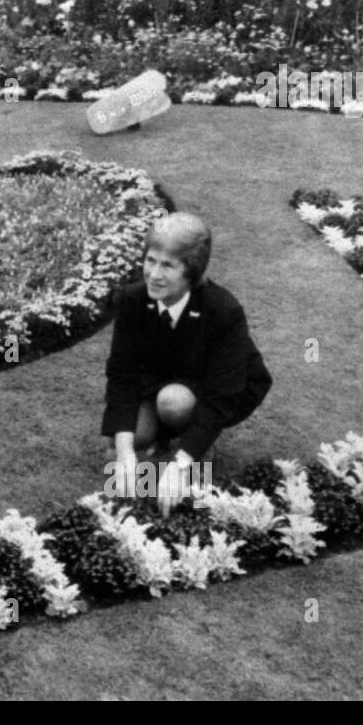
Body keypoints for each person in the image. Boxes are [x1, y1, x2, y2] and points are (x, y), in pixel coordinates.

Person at [101, 212, 272, 515]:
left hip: (213, 388)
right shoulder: (131, 299)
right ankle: (167, 440)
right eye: (151, 260)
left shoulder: (224, 311)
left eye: (168, 265)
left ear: (191, 272)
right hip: (161, 377)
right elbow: (122, 374)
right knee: (125, 441)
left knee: (174, 403)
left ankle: (194, 449)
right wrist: (125, 452)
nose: (154, 274)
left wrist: (180, 466)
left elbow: (222, 395)